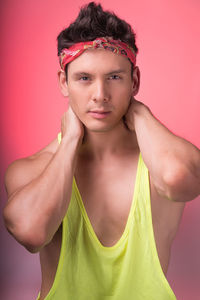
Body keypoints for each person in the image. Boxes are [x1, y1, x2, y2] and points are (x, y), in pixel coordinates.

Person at [3, 2, 200, 300]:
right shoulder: (30, 170)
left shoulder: (161, 160)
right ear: (63, 82)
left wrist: (140, 114)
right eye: (84, 78)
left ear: (134, 81)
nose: (100, 95)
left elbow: (179, 179)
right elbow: (31, 233)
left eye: (114, 78)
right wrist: (69, 140)